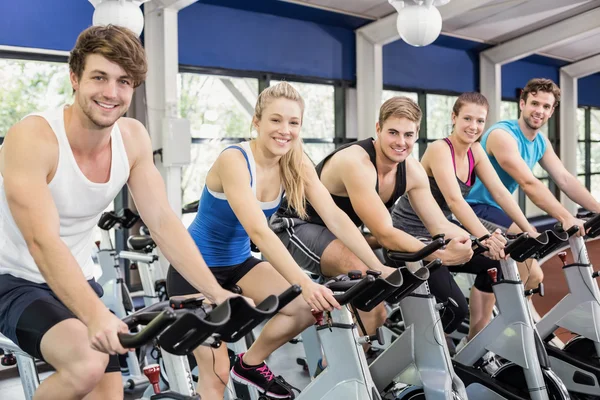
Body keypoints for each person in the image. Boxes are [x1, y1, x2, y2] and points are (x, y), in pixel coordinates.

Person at [0, 25, 243, 400]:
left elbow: (162, 221)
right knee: (85, 363)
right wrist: (95, 314)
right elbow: (41, 241)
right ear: (75, 78)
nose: (111, 93)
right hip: (13, 278)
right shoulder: (33, 138)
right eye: (100, 77)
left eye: (124, 81)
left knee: (109, 395)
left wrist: (216, 293)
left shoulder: (132, 139)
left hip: (76, 277)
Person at [166, 81, 394, 399]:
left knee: (302, 309)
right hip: (195, 270)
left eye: (293, 122)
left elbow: (335, 217)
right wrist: (306, 282)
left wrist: (377, 267)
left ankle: (249, 364)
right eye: (275, 120)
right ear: (256, 122)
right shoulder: (234, 160)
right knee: (216, 376)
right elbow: (259, 231)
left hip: (239, 264)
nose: (284, 130)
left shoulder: (295, 162)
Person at [270, 96, 475, 339]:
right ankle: (335, 366)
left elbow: (438, 223)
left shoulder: (412, 170)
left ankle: (358, 367)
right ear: (378, 129)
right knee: (372, 287)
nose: (401, 142)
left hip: (345, 235)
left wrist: (466, 239)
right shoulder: (355, 162)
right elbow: (385, 233)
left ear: (417, 134)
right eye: (393, 133)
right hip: (296, 228)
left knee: (377, 314)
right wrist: (440, 254)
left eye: (408, 135)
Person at [391, 92, 537, 348]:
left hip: (443, 231)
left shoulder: (476, 151)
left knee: (497, 263)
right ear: (454, 117)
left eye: (480, 121)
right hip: (412, 235)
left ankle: (475, 344)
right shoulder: (439, 149)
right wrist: (485, 237)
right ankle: (428, 344)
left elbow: (501, 193)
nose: (474, 126)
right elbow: (456, 200)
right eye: (467, 118)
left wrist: (529, 229)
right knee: (456, 310)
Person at [466, 78, 600, 290]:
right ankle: (519, 321)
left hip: (499, 210)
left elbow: (564, 179)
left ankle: (483, 322)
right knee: (532, 271)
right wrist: (565, 216)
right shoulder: (502, 135)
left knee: (523, 276)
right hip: (474, 208)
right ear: (522, 104)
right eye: (535, 103)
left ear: (552, 111)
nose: (540, 110)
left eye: (546, 106)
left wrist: (598, 210)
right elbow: (528, 183)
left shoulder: (540, 142)